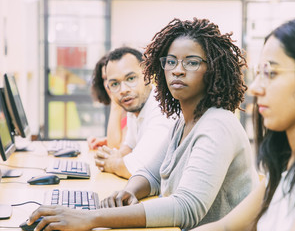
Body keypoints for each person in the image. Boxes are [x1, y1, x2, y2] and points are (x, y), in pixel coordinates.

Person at [26, 18, 259, 230]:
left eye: (191, 62)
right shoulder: (183, 121)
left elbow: (186, 207)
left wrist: (91, 218)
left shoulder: (217, 124)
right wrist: (129, 191)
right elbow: (152, 174)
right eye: (171, 61)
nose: (177, 70)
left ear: (213, 70)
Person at [192, 15, 295, 231]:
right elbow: (227, 227)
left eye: (271, 73)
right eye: (259, 73)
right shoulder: (287, 163)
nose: (255, 89)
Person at [92, 47, 176, 179]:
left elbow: (136, 169)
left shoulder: (162, 109)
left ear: (148, 74)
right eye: (114, 84)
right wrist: (112, 156)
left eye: (131, 79)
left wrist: (110, 162)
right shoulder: (134, 106)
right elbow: (128, 147)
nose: (123, 90)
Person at [87, 54, 127, 150]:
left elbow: (116, 149)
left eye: (113, 78)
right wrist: (106, 141)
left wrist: (115, 103)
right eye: (105, 78)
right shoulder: (121, 109)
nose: (109, 84)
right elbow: (123, 142)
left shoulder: (132, 109)